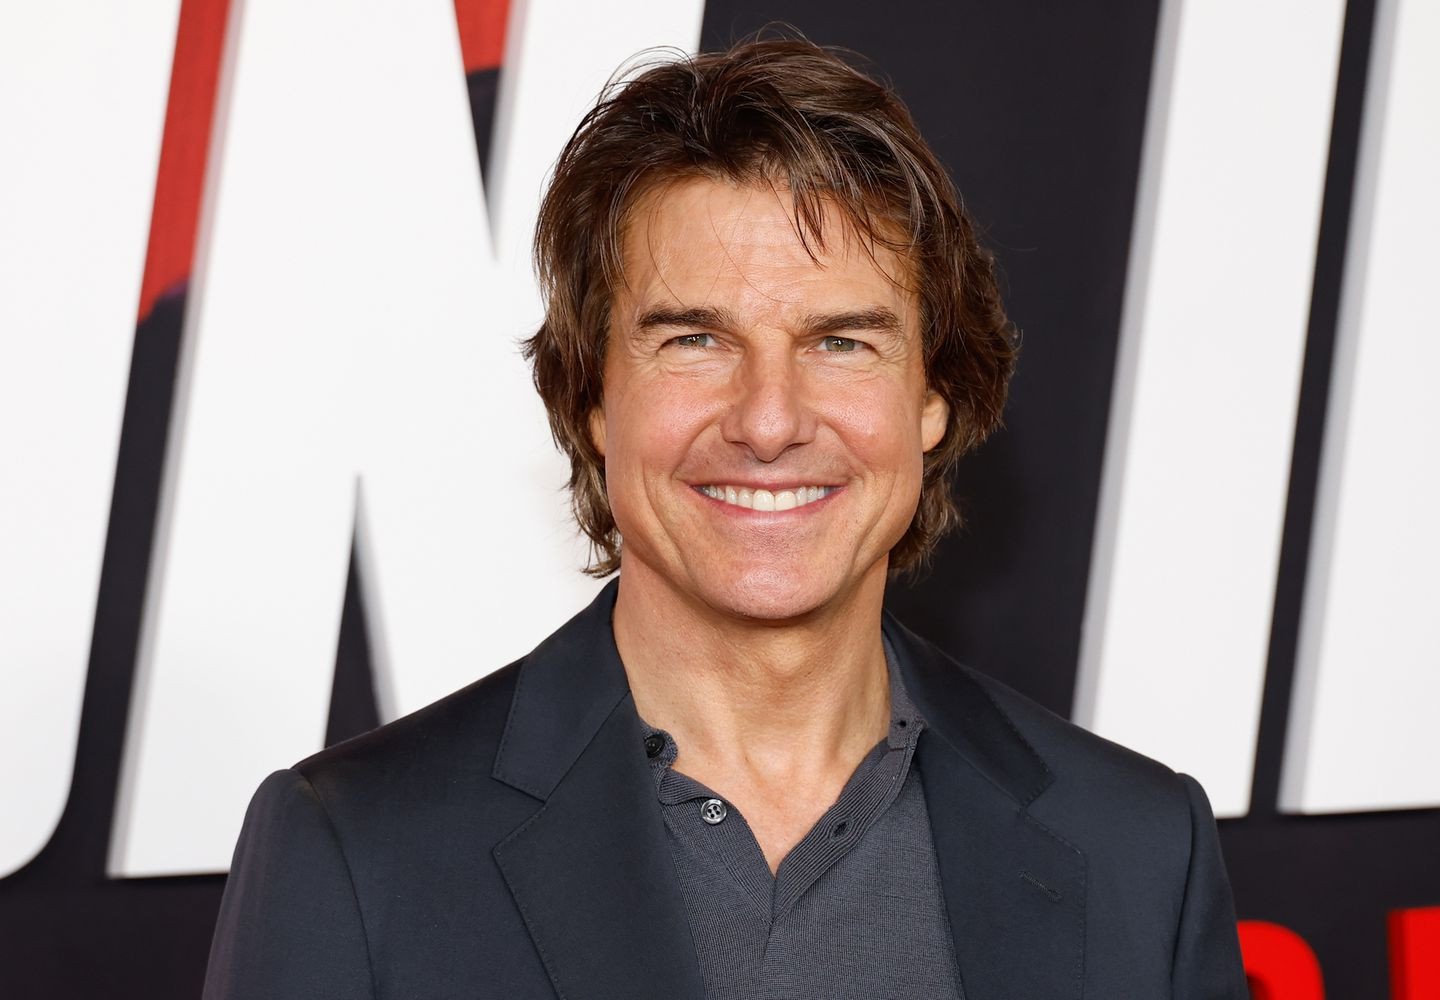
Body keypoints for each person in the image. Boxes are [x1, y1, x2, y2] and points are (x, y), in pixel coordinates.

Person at [204, 37, 1248, 1000]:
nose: (769, 420)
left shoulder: (1137, 850)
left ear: (933, 397)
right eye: (695, 340)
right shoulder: (358, 853)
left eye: (841, 341)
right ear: (592, 397)